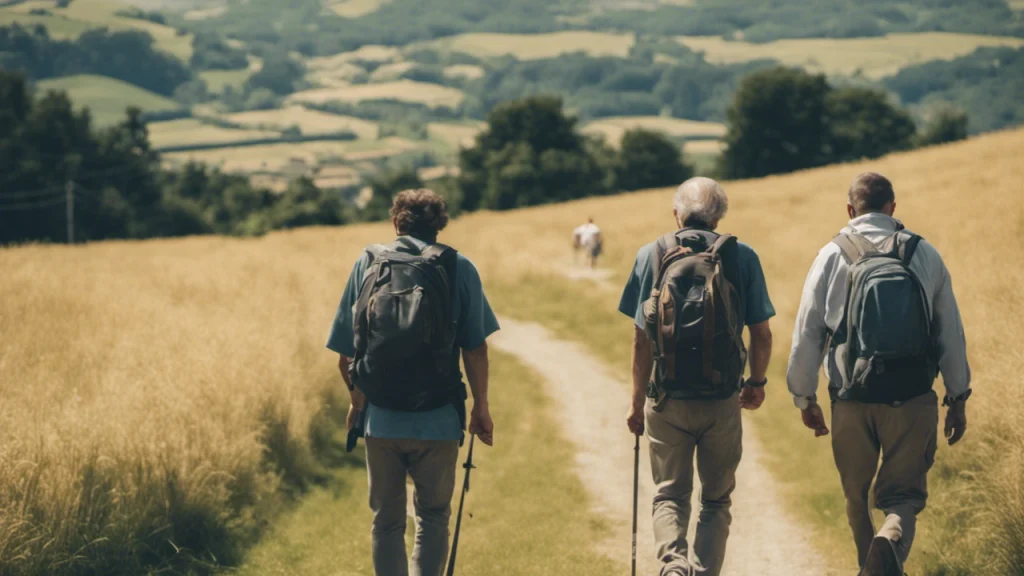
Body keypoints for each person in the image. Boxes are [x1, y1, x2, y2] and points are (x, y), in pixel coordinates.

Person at [787, 173, 971, 575]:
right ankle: (889, 540)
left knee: (856, 496)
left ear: (850, 211)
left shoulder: (830, 255)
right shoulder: (925, 254)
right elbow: (949, 333)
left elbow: (808, 332)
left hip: (851, 399)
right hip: (912, 395)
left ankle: (866, 561)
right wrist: (958, 397)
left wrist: (805, 398)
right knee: (903, 496)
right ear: (892, 208)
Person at [326, 189, 499, 576]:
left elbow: (346, 354)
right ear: (439, 225)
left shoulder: (368, 263)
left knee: (387, 522)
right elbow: (476, 348)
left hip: (382, 419)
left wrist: (358, 404)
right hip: (438, 419)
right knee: (434, 517)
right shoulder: (459, 267)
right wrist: (481, 407)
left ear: (395, 223)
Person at [620, 177, 776, 576]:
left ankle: (673, 566)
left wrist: (636, 402)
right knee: (716, 500)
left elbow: (640, 341)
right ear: (720, 216)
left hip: (667, 398)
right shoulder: (742, 257)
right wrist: (756, 383)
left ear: (676, 213)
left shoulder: (651, 254)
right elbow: (761, 332)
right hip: (722, 399)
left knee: (669, 494)